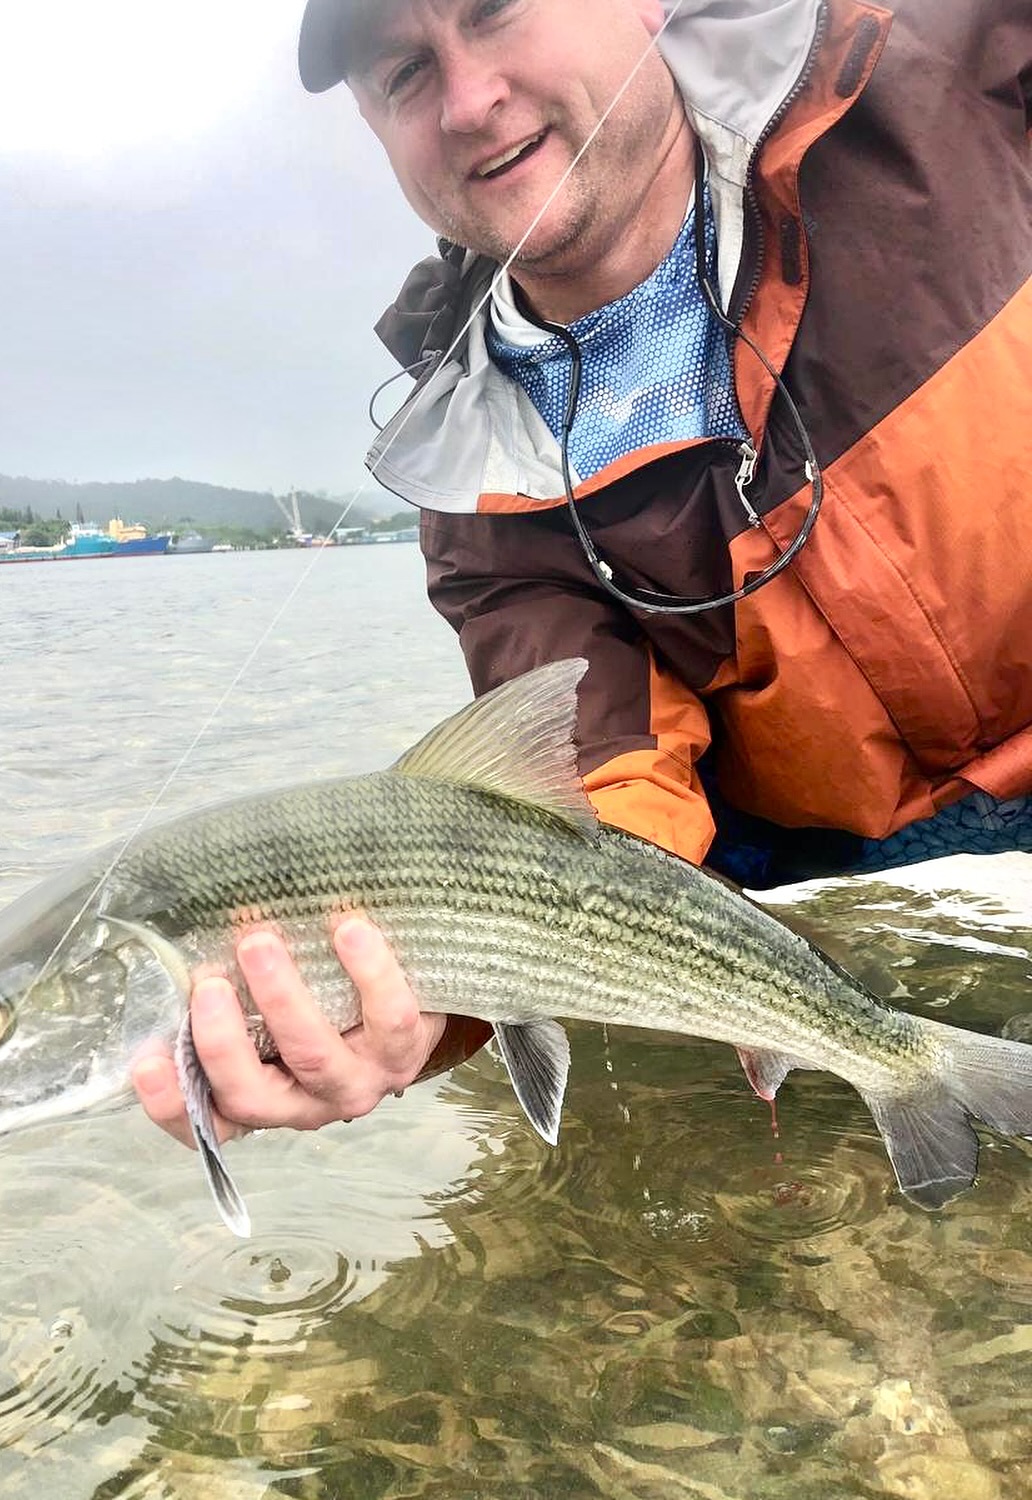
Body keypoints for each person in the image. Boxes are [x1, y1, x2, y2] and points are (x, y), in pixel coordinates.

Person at [133, 0, 1032, 1152]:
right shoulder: (480, 494)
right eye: (406, 73)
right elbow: (606, 795)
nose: (468, 102)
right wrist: (419, 1017)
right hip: (818, 841)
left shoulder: (922, 65)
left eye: (495, 11)